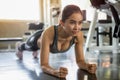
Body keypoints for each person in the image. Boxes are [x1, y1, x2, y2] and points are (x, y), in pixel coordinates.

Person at [16, 4, 97, 78]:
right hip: (37, 39)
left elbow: (80, 61)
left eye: (80, 23)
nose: (77, 27)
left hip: (45, 41)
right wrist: (54, 72)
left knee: (38, 50)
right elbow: (44, 65)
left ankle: (37, 51)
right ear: (62, 22)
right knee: (27, 47)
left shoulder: (78, 35)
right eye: (72, 22)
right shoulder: (48, 34)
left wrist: (87, 66)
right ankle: (19, 46)